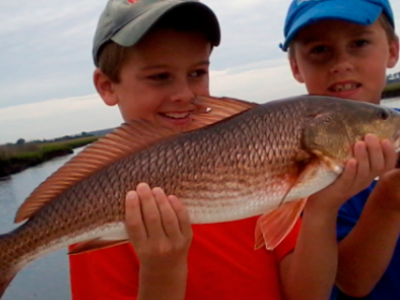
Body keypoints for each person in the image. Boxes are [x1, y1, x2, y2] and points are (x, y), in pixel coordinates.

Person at [68, 0, 380, 299]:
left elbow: (307, 295)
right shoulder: (97, 207)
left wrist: (321, 209)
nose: (184, 94)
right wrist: (162, 269)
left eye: (197, 73)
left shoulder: (258, 165)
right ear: (107, 86)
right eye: (159, 77)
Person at [280, 0, 400, 299]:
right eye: (320, 50)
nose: (341, 63)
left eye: (359, 43)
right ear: (296, 67)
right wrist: (390, 197)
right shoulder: (289, 161)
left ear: (393, 50)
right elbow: (352, 280)